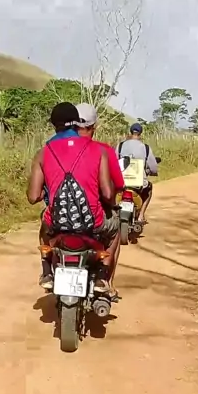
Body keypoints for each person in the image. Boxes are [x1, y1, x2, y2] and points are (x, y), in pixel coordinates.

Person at [27, 102, 120, 295]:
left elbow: (33, 196)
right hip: (92, 223)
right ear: (77, 123)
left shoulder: (43, 152)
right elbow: (108, 194)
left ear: (53, 124)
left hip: (57, 223)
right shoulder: (99, 150)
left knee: (44, 225)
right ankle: (102, 277)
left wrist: (47, 192)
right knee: (115, 230)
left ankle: (47, 272)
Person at [75, 102, 124, 289]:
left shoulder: (56, 147)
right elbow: (117, 186)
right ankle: (104, 279)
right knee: (115, 229)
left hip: (61, 216)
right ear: (93, 126)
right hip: (94, 218)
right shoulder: (104, 150)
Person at [116, 123, 158, 224]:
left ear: (130, 132)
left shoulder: (120, 146)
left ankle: (114, 214)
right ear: (140, 133)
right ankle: (141, 215)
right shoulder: (146, 148)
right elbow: (153, 168)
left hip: (121, 182)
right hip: (138, 183)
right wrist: (151, 172)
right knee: (149, 190)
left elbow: (113, 162)